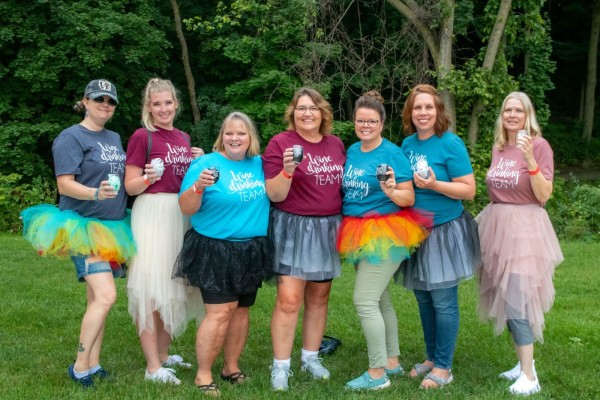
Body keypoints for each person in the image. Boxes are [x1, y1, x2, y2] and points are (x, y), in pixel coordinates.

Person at [20, 79, 135, 388]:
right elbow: (64, 184)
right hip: (83, 227)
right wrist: (95, 193)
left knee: (96, 298)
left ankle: (94, 363)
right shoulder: (71, 137)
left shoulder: (113, 137)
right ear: (85, 101)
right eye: (99, 99)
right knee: (107, 296)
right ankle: (80, 367)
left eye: (110, 101)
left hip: (113, 228)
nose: (105, 105)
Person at [173, 111, 272, 397]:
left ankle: (231, 367)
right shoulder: (205, 164)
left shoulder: (260, 164)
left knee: (241, 311)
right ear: (222, 136)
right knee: (219, 312)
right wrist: (198, 187)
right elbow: (186, 208)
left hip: (251, 249)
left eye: (241, 132)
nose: (234, 138)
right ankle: (203, 374)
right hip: (215, 248)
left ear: (250, 137)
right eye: (229, 132)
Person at [338, 91, 431, 391]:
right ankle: (392, 360)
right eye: (360, 120)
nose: (365, 126)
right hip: (356, 231)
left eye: (372, 121)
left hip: (386, 233)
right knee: (379, 299)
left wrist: (391, 190)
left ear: (381, 123)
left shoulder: (392, 153)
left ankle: (377, 373)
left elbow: (408, 197)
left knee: (364, 300)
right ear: (354, 121)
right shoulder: (353, 151)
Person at [476, 92, 563, 396]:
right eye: (507, 110)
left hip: (525, 231)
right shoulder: (499, 148)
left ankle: (529, 376)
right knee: (505, 295)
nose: (512, 115)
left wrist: (530, 161)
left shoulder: (539, 146)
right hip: (497, 226)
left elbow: (544, 194)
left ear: (528, 115)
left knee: (517, 299)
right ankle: (523, 363)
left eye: (518, 110)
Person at [262, 87, 346, 391]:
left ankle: (311, 357)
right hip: (293, 227)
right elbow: (274, 194)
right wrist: (287, 171)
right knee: (289, 299)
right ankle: (280, 366)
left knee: (319, 297)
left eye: (313, 108)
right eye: (301, 108)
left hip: (327, 228)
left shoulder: (336, 144)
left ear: (322, 113)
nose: (307, 113)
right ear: (293, 113)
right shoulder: (280, 143)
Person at [399, 84, 481, 389]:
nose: (423, 113)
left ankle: (444, 367)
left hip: (445, 231)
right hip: (415, 231)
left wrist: (434, 185)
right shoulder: (407, 145)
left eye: (429, 107)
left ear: (438, 111)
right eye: (417, 107)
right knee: (423, 297)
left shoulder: (450, 143)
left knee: (443, 300)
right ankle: (432, 357)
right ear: (410, 112)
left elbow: (469, 190)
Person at [124, 78, 205, 385]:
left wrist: (197, 161)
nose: (163, 109)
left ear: (176, 104)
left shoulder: (183, 137)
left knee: (174, 284)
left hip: (180, 214)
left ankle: (163, 353)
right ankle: (152, 367)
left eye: (168, 102)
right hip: (153, 214)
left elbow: (187, 181)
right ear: (148, 107)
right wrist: (148, 178)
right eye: (156, 104)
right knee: (151, 287)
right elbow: (130, 186)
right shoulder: (142, 137)